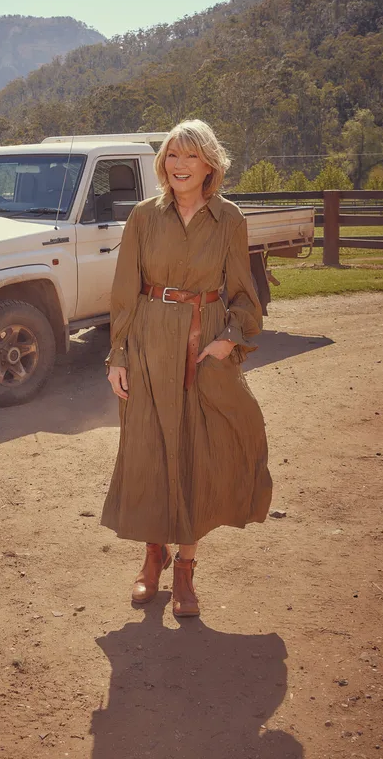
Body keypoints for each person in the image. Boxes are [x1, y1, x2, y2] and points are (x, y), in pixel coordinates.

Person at [103, 119, 273, 617]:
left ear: (209, 165)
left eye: (191, 156)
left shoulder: (230, 219)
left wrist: (228, 340)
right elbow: (124, 292)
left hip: (204, 345)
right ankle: (152, 556)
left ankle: (186, 569)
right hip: (149, 342)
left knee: (199, 451)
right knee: (151, 450)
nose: (180, 165)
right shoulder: (142, 216)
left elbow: (243, 292)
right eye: (172, 155)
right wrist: (118, 356)